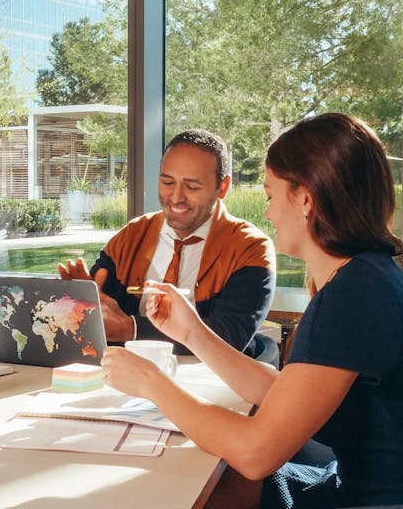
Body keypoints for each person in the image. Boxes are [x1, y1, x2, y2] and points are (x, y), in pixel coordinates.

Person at [101, 113, 403, 509]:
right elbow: (286, 392)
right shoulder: (371, 277)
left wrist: (153, 384)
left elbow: (254, 454)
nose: (267, 212)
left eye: (270, 194)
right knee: (213, 506)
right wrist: (192, 332)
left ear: (305, 199)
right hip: (397, 498)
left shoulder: (355, 297)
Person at [58, 129, 276, 358]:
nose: (176, 197)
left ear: (223, 187)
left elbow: (228, 337)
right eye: (167, 182)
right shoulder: (131, 236)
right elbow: (103, 319)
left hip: (210, 384)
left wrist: (131, 329)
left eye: (192, 186)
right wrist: (84, 302)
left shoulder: (250, 248)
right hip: (128, 378)